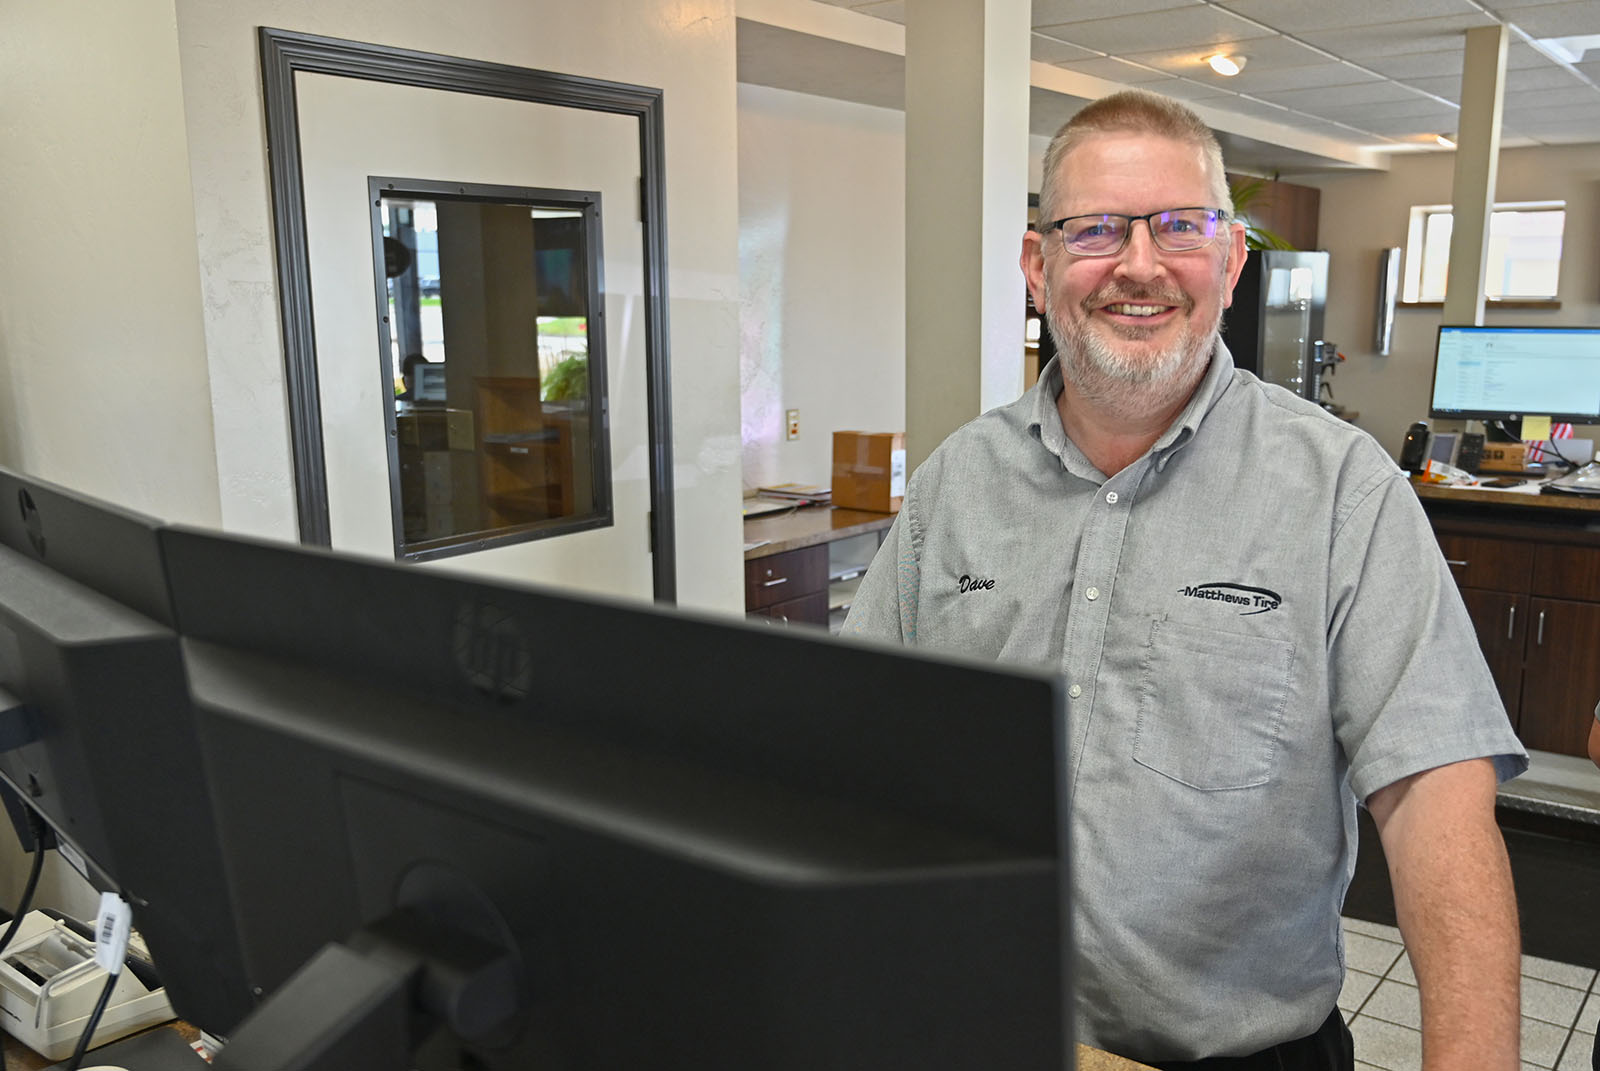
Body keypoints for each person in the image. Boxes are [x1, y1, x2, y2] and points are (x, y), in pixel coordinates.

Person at [843, 90, 1527, 1070]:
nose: (1137, 264)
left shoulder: (1341, 490)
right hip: (976, 1032)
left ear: (1230, 260)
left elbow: (1433, 791)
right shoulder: (959, 481)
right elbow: (861, 741)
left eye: (1178, 227)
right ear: (1037, 268)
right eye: (1094, 231)